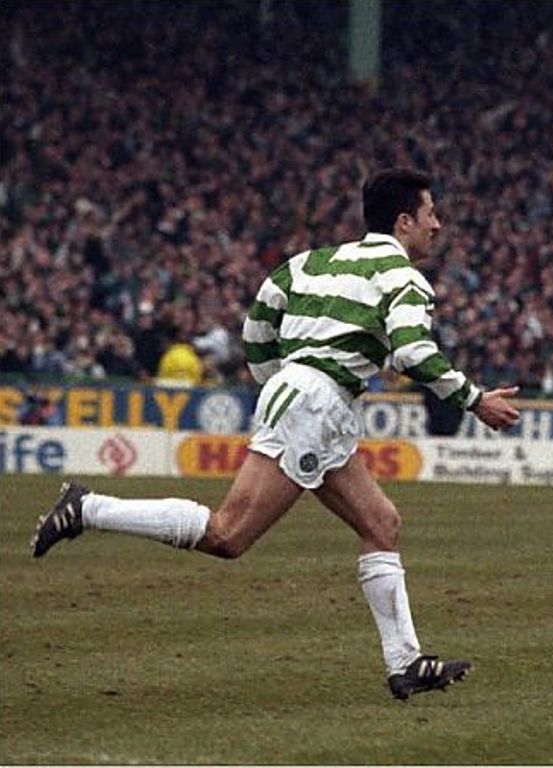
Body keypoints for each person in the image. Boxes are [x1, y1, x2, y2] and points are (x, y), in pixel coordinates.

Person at [31, 168, 521, 699]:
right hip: (315, 402)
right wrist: (475, 399)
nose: (438, 225)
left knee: (381, 523)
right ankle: (88, 509)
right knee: (228, 535)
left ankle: (405, 662)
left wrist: (279, 384)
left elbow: (257, 327)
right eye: (431, 214)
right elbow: (412, 352)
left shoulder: (307, 263)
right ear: (404, 222)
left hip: (312, 399)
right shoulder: (404, 278)